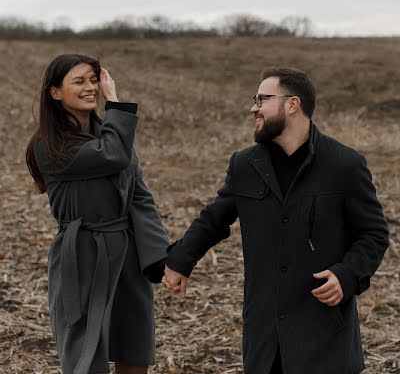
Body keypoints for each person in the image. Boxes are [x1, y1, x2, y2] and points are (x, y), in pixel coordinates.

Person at [162, 67, 389, 374]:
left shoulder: (344, 165)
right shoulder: (245, 164)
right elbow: (214, 218)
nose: (253, 107)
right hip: (265, 337)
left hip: (323, 334)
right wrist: (180, 260)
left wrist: (347, 275)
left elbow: (373, 233)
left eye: (262, 99)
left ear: (292, 104)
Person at [26, 54, 169, 374]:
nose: (91, 88)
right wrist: (116, 103)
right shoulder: (48, 146)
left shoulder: (113, 136)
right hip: (82, 255)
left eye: (94, 80)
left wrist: (158, 254)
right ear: (55, 93)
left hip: (127, 256)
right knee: (84, 357)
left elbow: (141, 197)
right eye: (79, 81)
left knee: (133, 348)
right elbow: (113, 157)